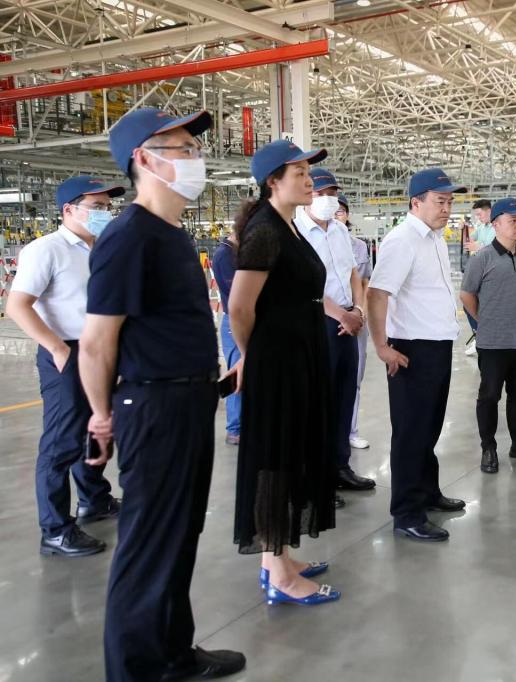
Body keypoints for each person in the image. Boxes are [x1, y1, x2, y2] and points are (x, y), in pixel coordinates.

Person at [78, 108, 245, 680]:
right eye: (181, 149)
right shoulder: (128, 238)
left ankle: (173, 652)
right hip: (153, 406)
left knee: (180, 534)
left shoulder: (172, 234)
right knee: (149, 541)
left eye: (194, 148)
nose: (195, 158)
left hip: (189, 401)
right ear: (144, 160)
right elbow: (97, 343)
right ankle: (135, 669)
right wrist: (101, 416)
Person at [228, 140, 340, 605]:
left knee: (291, 453)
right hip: (278, 362)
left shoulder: (287, 227)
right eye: (299, 173)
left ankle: (277, 557)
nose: (309, 180)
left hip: (298, 355)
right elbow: (239, 307)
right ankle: (279, 575)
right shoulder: (265, 231)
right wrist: (252, 354)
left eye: (308, 172)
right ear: (272, 181)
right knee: (275, 458)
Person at [8, 176, 123, 558]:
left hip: (99, 350)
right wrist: (57, 349)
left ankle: (94, 499)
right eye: (97, 207)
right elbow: (17, 306)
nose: (105, 213)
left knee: (96, 428)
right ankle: (55, 530)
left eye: (108, 207)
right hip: (67, 352)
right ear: (69, 210)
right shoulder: (47, 250)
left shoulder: (102, 249)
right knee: (61, 442)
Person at [367, 168, 468, 542]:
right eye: (440, 201)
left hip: (437, 346)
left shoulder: (435, 238)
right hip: (412, 350)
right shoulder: (402, 240)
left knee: (429, 427)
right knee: (411, 432)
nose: (447, 209)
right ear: (416, 202)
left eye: (450, 202)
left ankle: (428, 492)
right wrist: (382, 346)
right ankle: (407, 513)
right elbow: (377, 294)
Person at [297, 167, 375, 493]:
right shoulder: (296, 233)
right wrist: (342, 315)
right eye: (321, 193)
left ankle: (340, 467)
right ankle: (316, 475)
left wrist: (358, 310)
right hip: (318, 323)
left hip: (348, 322)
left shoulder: (341, 232)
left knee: (345, 395)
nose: (328, 199)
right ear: (307, 195)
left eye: (332, 193)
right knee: (318, 402)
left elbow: (354, 275)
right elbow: (305, 286)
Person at [460, 198, 516, 474]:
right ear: (496, 224)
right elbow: (466, 294)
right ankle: (488, 448)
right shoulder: (482, 258)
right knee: (489, 396)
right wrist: (483, 322)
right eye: (513, 221)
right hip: (493, 343)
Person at [339, 196, 373, 451]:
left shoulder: (359, 247)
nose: (336, 214)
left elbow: (365, 282)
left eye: (341, 211)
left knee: (355, 377)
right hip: (330, 317)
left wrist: (360, 312)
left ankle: (351, 431)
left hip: (357, 317)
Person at [211, 228, 241, 446]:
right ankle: (234, 428)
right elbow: (236, 294)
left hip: (245, 320)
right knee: (236, 377)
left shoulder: (237, 252)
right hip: (235, 322)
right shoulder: (224, 255)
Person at [462, 198, 493, 356]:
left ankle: (483, 336)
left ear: (489, 211)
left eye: (480, 214)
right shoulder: (482, 227)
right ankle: (480, 334)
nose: (478, 218)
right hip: (481, 271)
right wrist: (464, 229)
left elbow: (496, 247)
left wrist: (478, 246)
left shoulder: (497, 227)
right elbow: (470, 239)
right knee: (469, 305)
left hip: (493, 273)